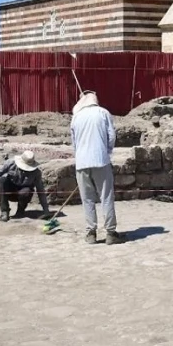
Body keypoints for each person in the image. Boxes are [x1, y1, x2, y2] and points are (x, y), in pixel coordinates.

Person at [71, 91, 123, 245]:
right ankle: (111, 233)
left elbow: (74, 142)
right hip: (101, 161)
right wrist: (106, 152)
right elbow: (111, 136)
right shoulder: (103, 113)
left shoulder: (76, 117)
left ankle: (91, 233)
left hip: (81, 163)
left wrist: (81, 155)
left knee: (87, 199)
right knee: (106, 197)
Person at [0, 150, 50, 222]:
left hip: (23, 193)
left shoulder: (36, 172)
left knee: (27, 191)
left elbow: (40, 190)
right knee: (2, 181)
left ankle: (20, 211)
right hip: (9, 190)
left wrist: (46, 210)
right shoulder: (10, 163)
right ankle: (4, 212)